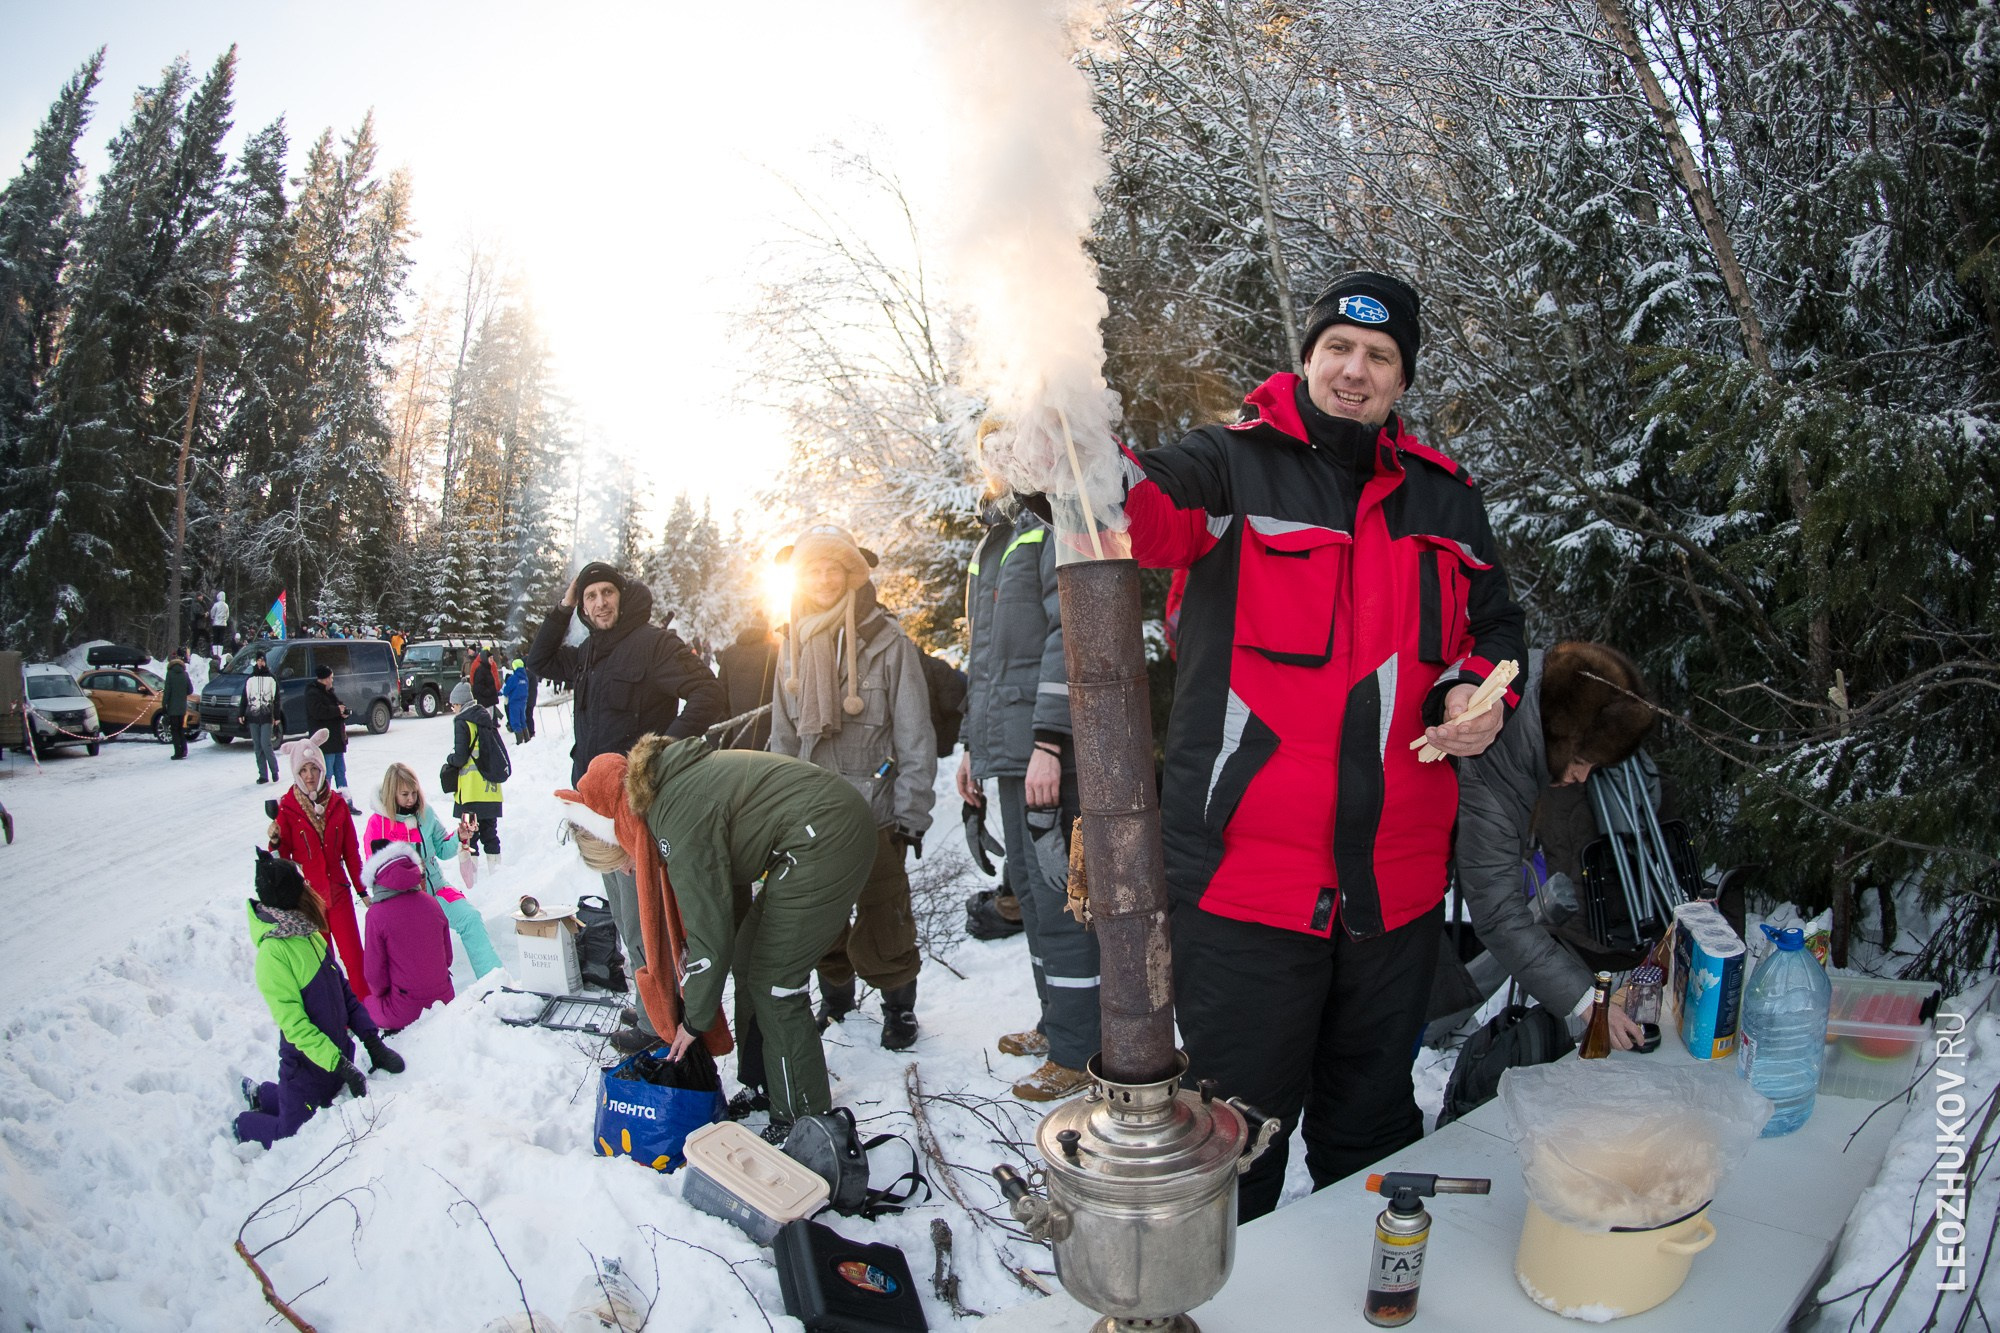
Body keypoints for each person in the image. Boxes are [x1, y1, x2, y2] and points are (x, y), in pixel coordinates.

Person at [1115, 270, 1527, 1219]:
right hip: (1246, 890)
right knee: (1234, 1147)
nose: (1355, 369)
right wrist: (1073, 452)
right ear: (1305, 358)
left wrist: (1478, 687)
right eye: (1338, 348)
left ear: (1402, 380)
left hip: (1397, 890)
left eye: (1379, 357)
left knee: (1372, 1133)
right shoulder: (1227, 464)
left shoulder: (1448, 500)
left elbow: (1498, 627)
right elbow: (1134, 516)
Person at [555, 735, 874, 1136]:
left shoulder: (673, 815)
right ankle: (766, 1084)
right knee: (747, 957)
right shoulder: (662, 792)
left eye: (620, 861)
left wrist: (694, 1020)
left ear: (619, 832)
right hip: (815, 828)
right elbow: (724, 904)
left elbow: (711, 932)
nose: (625, 872)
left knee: (776, 983)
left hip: (825, 835)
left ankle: (800, 1118)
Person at [528, 560, 726, 1053]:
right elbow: (538, 659)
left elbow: (708, 694)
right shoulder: (588, 653)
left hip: (636, 806)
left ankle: (660, 1023)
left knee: (646, 917)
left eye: (605, 593)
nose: (599, 603)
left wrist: (656, 756)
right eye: (590, 596)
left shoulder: (653, 644)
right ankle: (650, 1004)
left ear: (621, 595)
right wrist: (563, 604)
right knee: (622, 915)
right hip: (595, 807)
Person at [767, 523, 935, 1054]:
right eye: (813, 569)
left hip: (876, 813)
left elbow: (915, 735)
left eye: (832, 568)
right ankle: (836, 1001)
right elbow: (782, 737)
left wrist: (912, 814)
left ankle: (898, 1011)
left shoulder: (889, 644)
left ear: (850, 575)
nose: (823, 578)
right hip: (812, 816)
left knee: (886, 916)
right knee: (820, 919)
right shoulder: (790, 646)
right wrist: (776, 815)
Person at [959, 489, 1098, 1102]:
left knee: (1061, 897)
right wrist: (972, 746)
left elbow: (1070, 627)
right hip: (1009, 747)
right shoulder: (996, 538)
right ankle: (1056, 1025)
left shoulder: (1052, 518)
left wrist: (1049, 739)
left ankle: (1080, 1050)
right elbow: (984, 659)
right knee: (1034, 898)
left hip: (1046, 748)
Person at [1454, 643, 1657, 1049]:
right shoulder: (1494, 767)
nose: (1583, 777)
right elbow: (1498, 913)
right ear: (1561, 735)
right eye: (1582, 760)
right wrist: (1587, 1002)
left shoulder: (1527, 703)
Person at [234, 849, 403, 1147]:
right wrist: (338, 1064)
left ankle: (262, 1094)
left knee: (311, 1111)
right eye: (301, 885)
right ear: (290, 896)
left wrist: (372, 1042)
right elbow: (295, 1026)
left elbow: (344, 994)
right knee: (291, 1134)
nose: (309, 888)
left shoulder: (308, 933)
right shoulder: (273, 955)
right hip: (305, 1070)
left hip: (335, 1060)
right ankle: (244, 1123)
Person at [364, 762, 502, 977]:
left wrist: (460, 836)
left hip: (436, 887)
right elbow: (376, 873)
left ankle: (494, 978)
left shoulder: (425, 813)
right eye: (404, 794)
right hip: (405, 898)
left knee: (470, 918)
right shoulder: (378, 825)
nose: (411, 799)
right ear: (392, 794)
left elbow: (442, 849)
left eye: (414, 793)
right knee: (422, 943)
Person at [270, 730, 369, 997]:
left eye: (314, 768)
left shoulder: (337, 804)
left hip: (338, 893)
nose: (310, 776)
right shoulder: (287, 808)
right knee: (323, 964)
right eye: (303, 771)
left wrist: (362, 890)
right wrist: (276, 841)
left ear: (323, 769)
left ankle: (367, 1010)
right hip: (310, 900)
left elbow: (351, 853)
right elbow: (282, 860)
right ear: (296, 774)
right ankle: (336, 1013)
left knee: (354, 957)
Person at [357, 842, 454, 1032]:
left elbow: (375, 976)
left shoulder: (376, 915)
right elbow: (448, 958)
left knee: (366, 1005)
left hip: (405, 1008)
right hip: (444, 998)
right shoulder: (431, 902)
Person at [448, 670, 506, 870]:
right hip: (490, 791)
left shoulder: (462, 721)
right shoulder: (484, 718)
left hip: (471, 795)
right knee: (490, 834)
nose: (453, 709)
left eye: (453, 704)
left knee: (469, 835)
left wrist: (450, 759)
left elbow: (461, 757)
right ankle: (495, 873)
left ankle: (471, 877)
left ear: (460, 704)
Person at [716, 615, 780, 749]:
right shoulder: (776, 651)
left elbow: (720, 698)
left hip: (739, 738)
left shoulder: (730, 652)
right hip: (771, 740)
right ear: (767, 630)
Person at [303, 665, 350, 791]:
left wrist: (343, 712)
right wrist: (336, 710)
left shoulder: (330, 692)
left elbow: (337, 707)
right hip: (325, 743)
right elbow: (318, 712)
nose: (332, 680)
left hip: (336, 740)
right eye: (331, 678)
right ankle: (326, 801)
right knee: (327, 774)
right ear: (325, 679)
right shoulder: (312, 693)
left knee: (341, 772)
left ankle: (346, 801)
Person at [243, 653, 279, 784]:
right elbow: (244, 697)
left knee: (266, 744)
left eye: (262, 660)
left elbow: (276, 698)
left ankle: (274, 770)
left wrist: (277, 716)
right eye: (258, 660)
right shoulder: (250, 679)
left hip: (266, 716)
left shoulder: (271, 678)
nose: (260, 663)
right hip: (253, 716)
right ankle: (263, 774)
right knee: (257, 746)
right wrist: (242, 713)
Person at [162, 650, 193, 761]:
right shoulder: (185, 674)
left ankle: (178, 752)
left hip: (172, 708)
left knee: (174, 730)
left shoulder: (170, 674)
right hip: (182, 707)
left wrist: (164, 704)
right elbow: (190, 690)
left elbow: (167, 691)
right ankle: (184, 750)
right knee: (181, 729)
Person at [502, 658, 532, 745]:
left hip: (514, 702)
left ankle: (519, 741)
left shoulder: (513, 678)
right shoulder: (525, 678)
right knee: (522, 719)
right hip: (523, 702)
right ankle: (527, 738)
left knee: (515, 721)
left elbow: (506, 690)